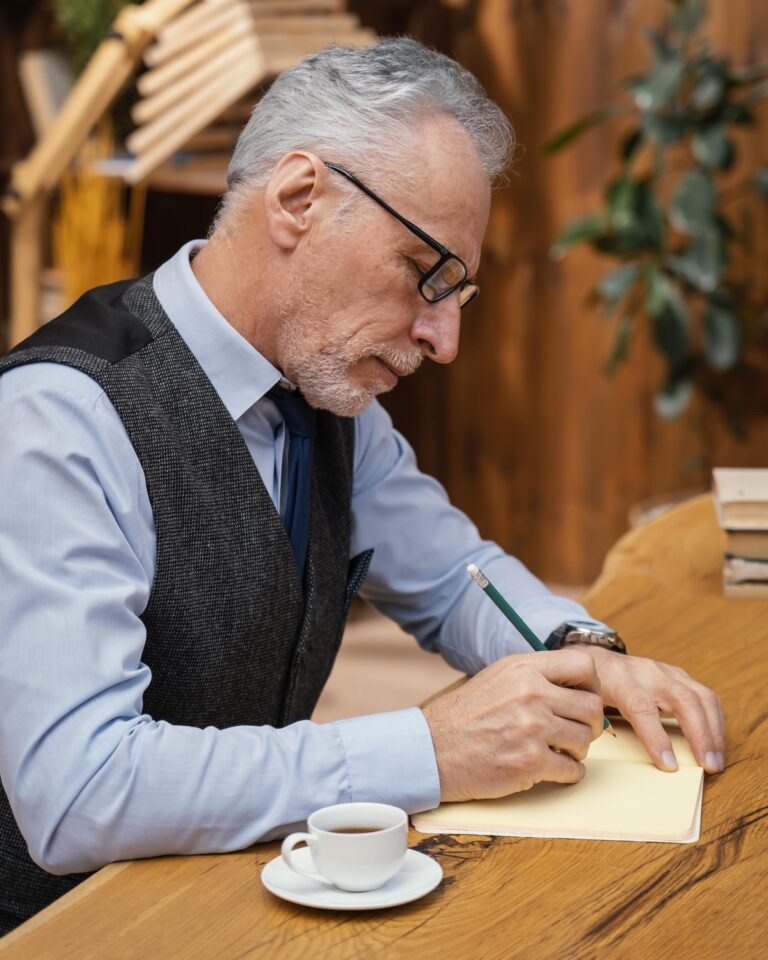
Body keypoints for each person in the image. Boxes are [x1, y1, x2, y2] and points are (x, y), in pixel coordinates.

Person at [0, 38, 724, 934]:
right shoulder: (55, 420)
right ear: (301, 198)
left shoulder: (326, 391)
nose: (443, 341)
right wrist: (431, 747)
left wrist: (583, 649)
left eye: (459, 293)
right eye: (425, 274)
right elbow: (77, 793)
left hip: (246, 903)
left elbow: (459, 575)